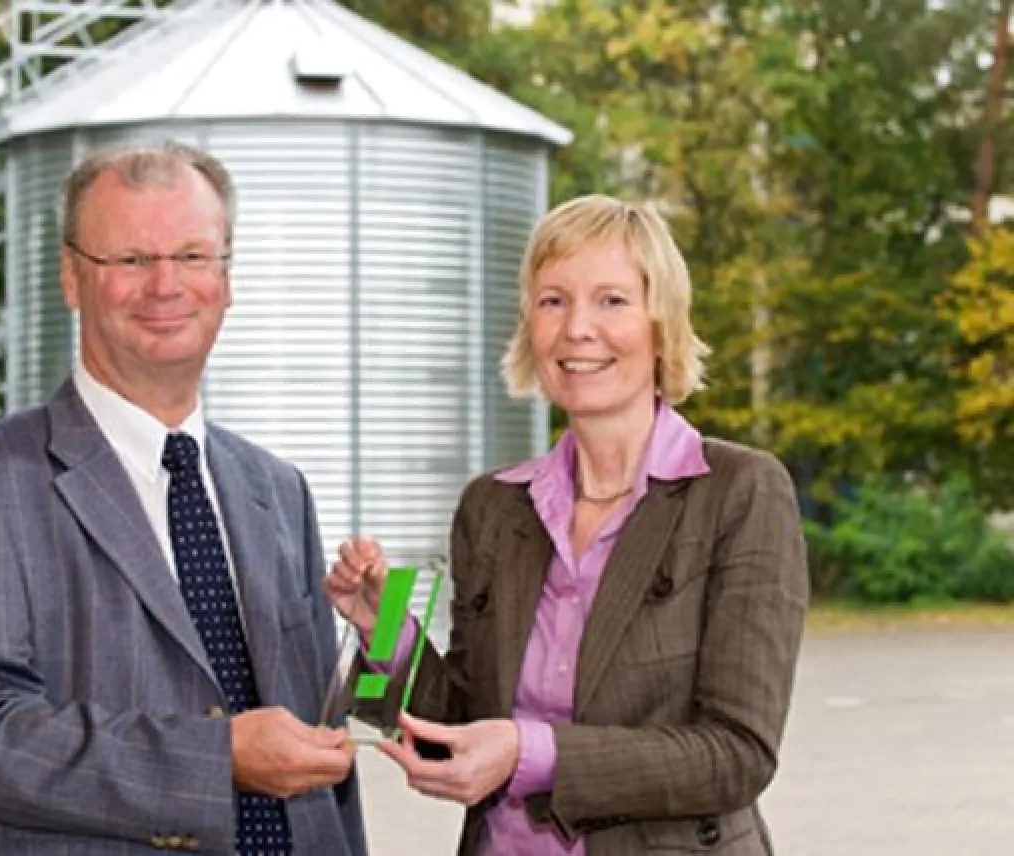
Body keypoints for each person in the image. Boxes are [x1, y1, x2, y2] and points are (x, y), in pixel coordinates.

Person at [0, 141, 367, 856]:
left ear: (226, 276)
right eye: (130, 259)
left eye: (191, 255)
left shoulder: (275, 488)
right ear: (71, 277)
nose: (165, 285)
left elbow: (311, 727)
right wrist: (216, 759)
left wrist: (375, 645)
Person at [327, 195, 808, 855]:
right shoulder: (492, 507)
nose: (578, 328)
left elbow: (738, 754)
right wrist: (382, 629)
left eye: (611, 300)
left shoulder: (740, 492)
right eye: (553, 301)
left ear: (661, 323)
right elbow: (456, 723)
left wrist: (531, 750)